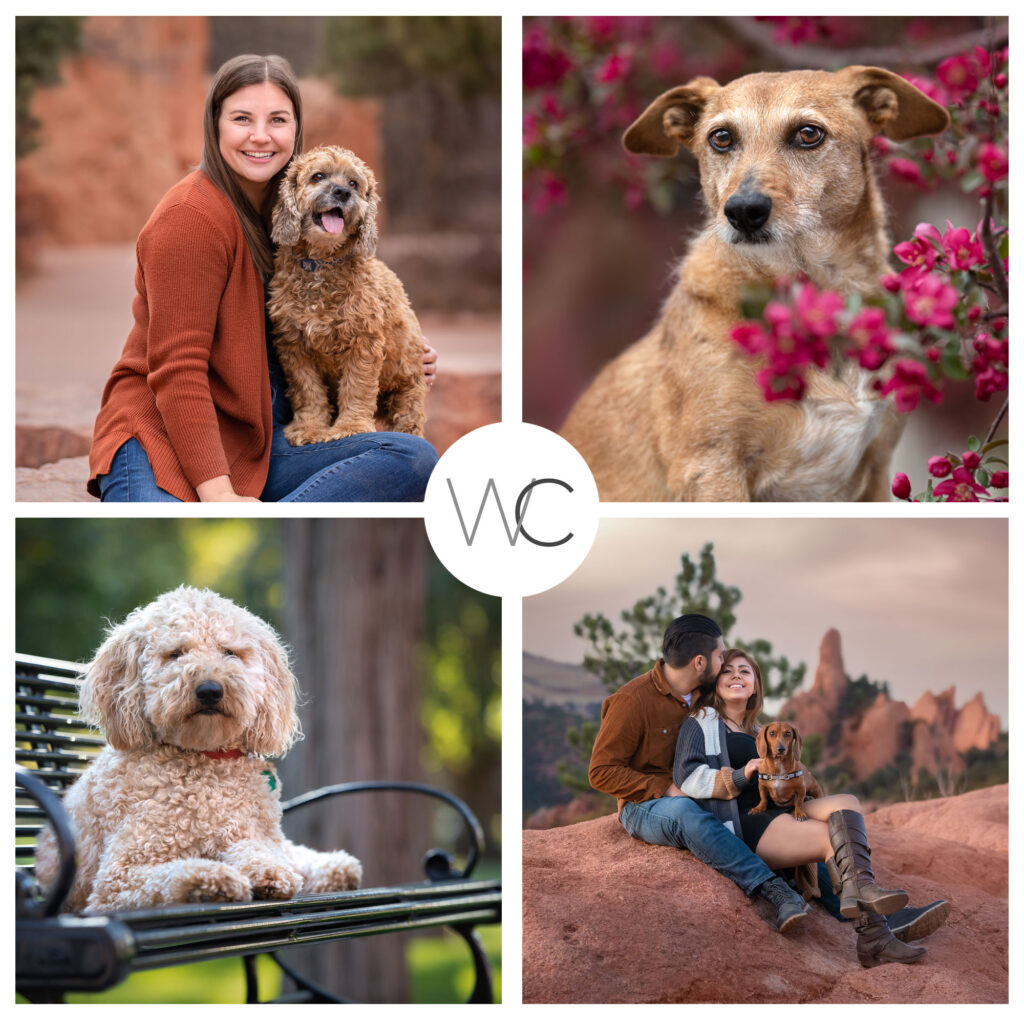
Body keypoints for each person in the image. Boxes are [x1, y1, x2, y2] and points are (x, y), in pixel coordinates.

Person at [88, 53, 438, 502]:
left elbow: (346, 309)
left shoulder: (295, 200)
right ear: (215, 125)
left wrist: (403, 353)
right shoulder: (188, 218)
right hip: (162, 436)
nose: (260, 136)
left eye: (277, 119)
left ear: (296, 129)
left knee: (411, 460)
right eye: (241, 119)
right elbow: (178, 372)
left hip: (257, 437)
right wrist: (220, 498)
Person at [589, 612, 950, 944]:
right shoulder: (632, 701)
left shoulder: (702, 694)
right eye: (721, 659)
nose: (727, 666)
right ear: (700, 662)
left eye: (739, 669)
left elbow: (736, 723)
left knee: (833, 820)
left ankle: (868, 913)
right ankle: (773, 889)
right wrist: (665, 787)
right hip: (647, 804)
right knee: (687, 813)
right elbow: (600, 772)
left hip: (710, 792)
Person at [675, 648, 947, 967]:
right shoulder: (703, 720)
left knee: (848, 804)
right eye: (728, 670)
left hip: (785, 808)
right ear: (716, 682)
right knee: (826, 838)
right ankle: (876, 933)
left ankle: (866, 901)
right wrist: (742, 772)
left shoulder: (758, 730)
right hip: (749, 820)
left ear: (755, 685)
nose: (736, 675)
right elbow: (687, 776)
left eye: (745, 671)